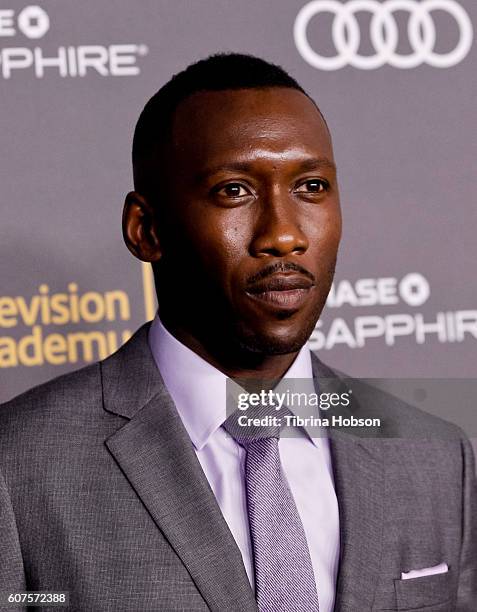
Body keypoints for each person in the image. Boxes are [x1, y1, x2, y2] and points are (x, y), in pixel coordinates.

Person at [0, 53, 475, 612]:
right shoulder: (19, 464)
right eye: (234, 191)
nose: (283, 235)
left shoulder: (434, 457)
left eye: (312, 186)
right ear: (146, 230)